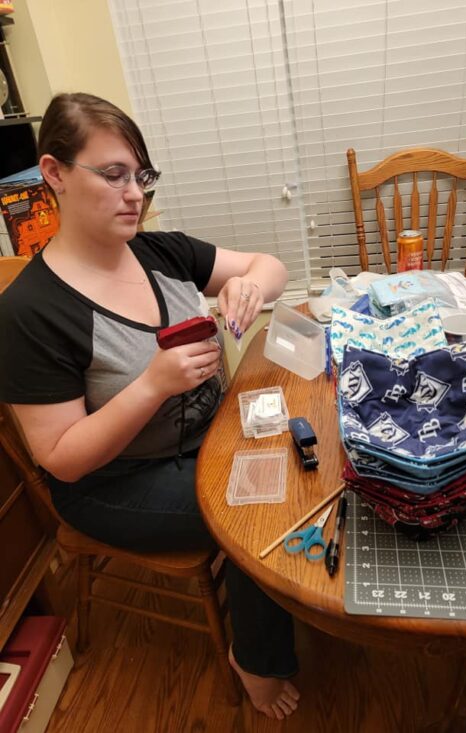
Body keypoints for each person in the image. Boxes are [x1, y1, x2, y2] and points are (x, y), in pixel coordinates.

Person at [0, 92, 299, 721]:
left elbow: (271, 265)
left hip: (205, 440)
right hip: (115, 481)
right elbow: (62, 459)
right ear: (54, 173)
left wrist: (250, 284)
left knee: (304, 458)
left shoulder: (157, 251)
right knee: (261, 507)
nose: (135, 193)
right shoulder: (30, 313)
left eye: (142, 175)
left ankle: (271, 605)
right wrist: (151, 384)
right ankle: (257, 659)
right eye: (112, 175)